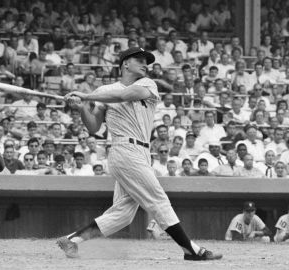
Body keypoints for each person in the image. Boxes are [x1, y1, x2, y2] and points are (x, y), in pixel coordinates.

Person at [59, 47, 222, 261]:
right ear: (125, 64)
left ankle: (72, 240)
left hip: (142, 151)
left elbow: (124, 95)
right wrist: (81, 108)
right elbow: (93, 127)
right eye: (139, 59)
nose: (145, 63)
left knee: (122, 215)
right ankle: (191, 250)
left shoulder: (147, 84)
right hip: (124, 150)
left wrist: (86, 95)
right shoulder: (105, 91)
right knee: (159, 201)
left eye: (146, 60)